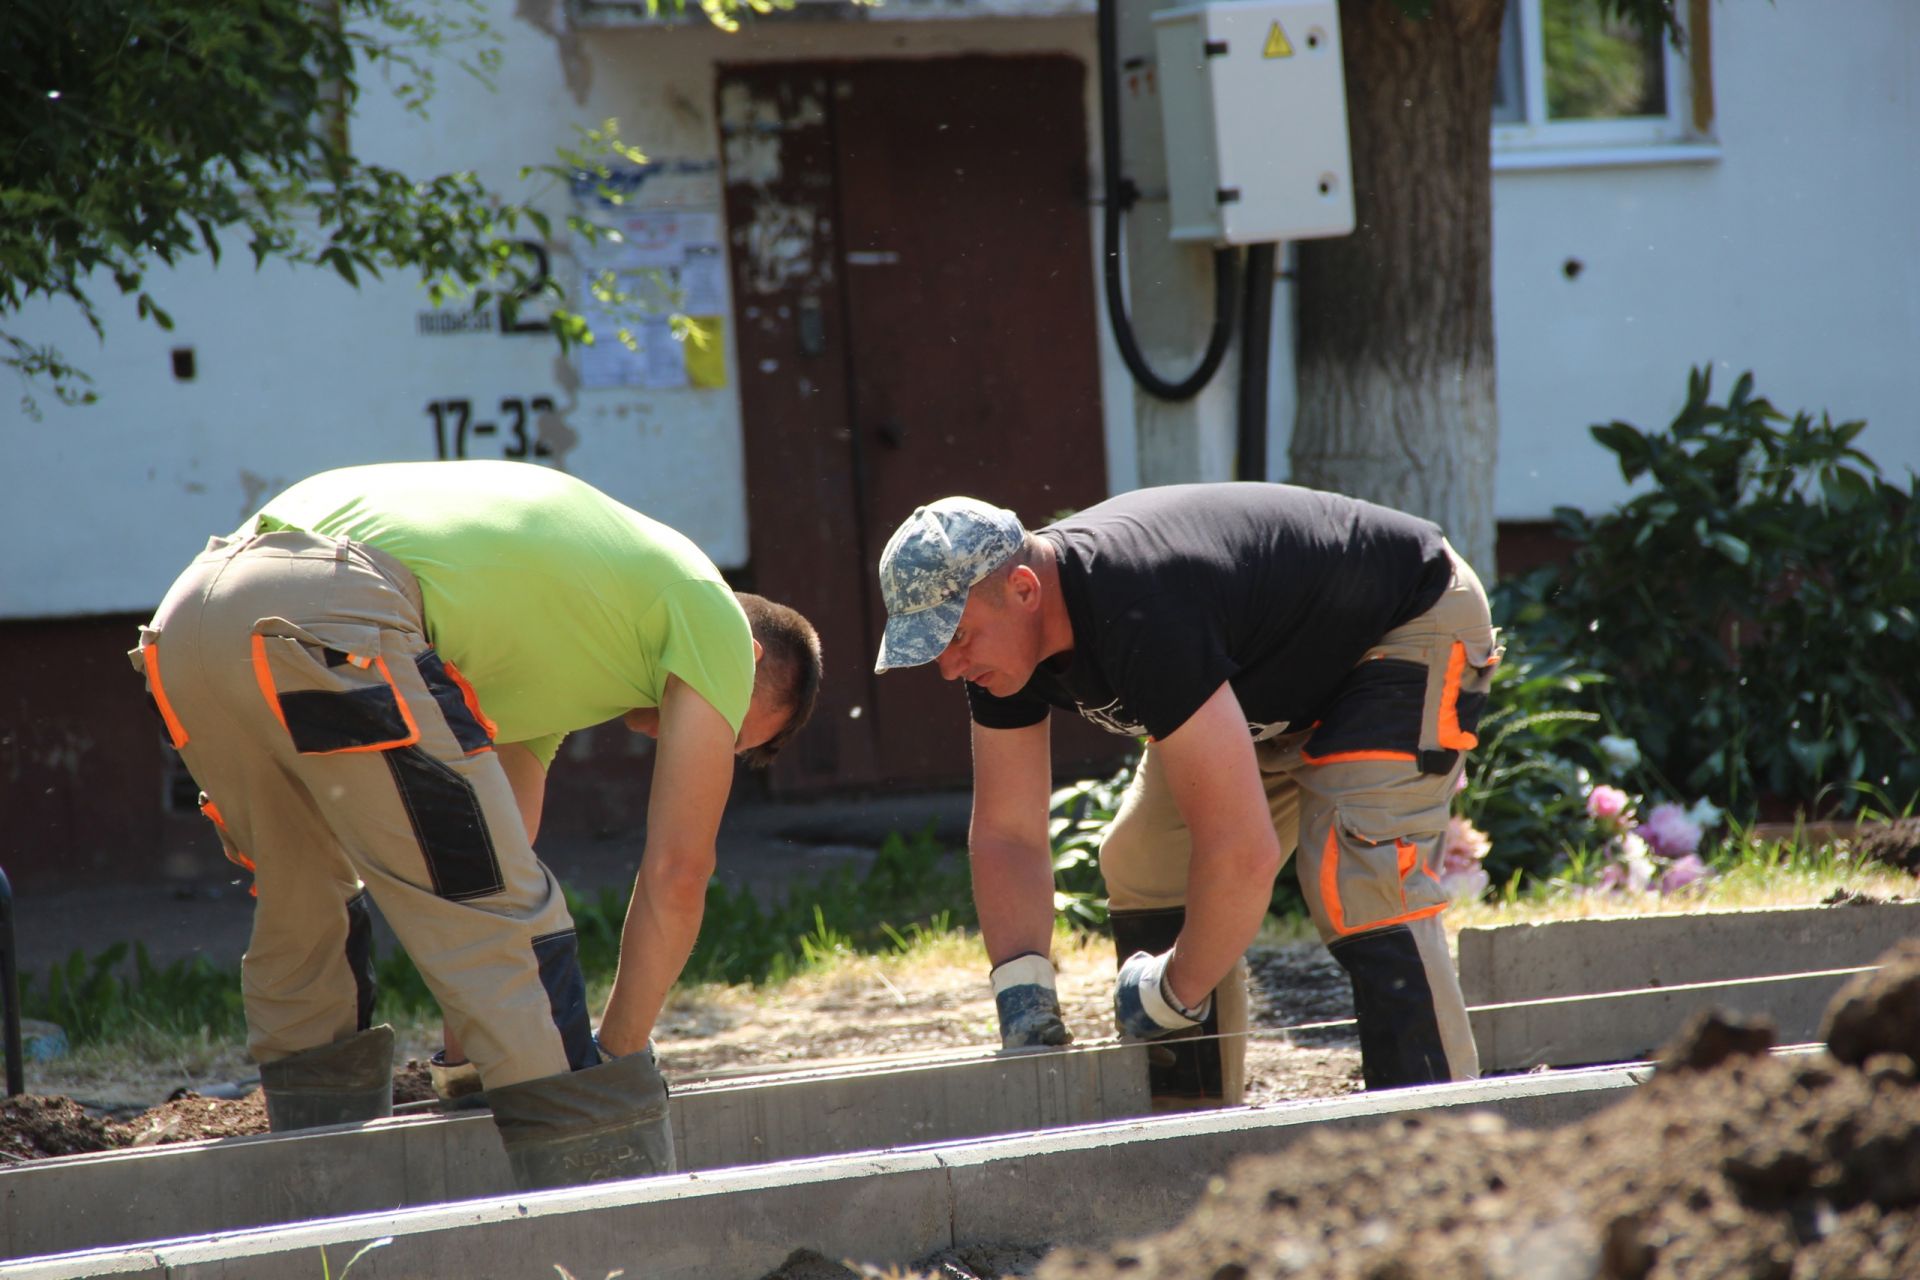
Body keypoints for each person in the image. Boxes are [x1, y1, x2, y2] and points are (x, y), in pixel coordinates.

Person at [130, 460, 821, 1187]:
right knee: (518, 929)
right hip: (330, 608)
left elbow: (477, 859)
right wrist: (613, 1066)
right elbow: (677, 874)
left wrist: (465, 1059)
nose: (687, 743)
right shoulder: (708, 610)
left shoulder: (570, 638)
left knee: (307, 904)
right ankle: (593, 1212)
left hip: (190, 621)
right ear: (745, 664)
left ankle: (322, 1191)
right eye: (725, 732)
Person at [872, 483, 1498, 1106]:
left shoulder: (1138, 604)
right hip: (1272, 680)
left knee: (1362, 876)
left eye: (955, 638)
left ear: (1025, 591)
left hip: (1403, 620)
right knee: (1145, 859)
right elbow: (1008, 833)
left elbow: (1242, 854)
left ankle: (1434, 1129)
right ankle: (1189, 1123)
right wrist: (1022, 997)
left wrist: (1174, 990)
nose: (949, 668)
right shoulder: (1003, 650)